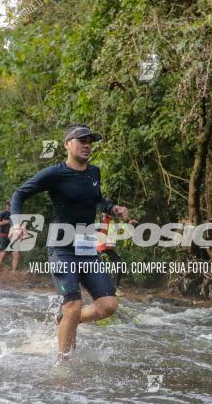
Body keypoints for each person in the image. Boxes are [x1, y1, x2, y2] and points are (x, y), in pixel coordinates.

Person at [9, 124, 129, 363]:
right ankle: (63, 364)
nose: (87, 145)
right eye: (81, 140)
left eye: (90, 142)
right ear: (67, 144)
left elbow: (96, 200)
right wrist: (16, 223)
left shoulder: (93, 173)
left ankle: (65, 319)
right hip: (62, 247)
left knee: (108, 306)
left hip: (86, 246)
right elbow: (19, 195)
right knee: (73, 306)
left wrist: (111, 208)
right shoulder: (54, 174)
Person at [0, 202, 19, 274]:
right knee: (3, 254)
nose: (11, 208)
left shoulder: (16, 213)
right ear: (7, 206)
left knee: (16, 254)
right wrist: (7, 222)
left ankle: (13, 272)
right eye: (10, 206)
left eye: (12, 206)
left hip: (14, 236)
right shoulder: (2, 213)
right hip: (3, 235)